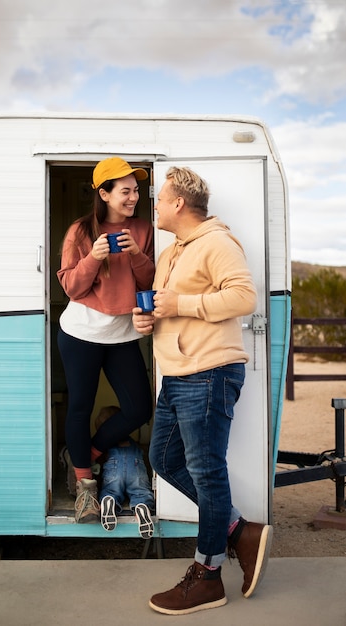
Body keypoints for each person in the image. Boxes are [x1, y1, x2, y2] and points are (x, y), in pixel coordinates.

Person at [132, 166, 273, 615]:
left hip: (209, 372)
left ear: (178, 203)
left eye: (159, 198)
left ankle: (208, 575)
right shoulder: (175, 250)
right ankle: (238, 531)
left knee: (207, 471)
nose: (153, 206)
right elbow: (167, 307)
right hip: (177, 374)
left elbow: (243, 297)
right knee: (163, 460)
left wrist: (181, 304)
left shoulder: (217, 242)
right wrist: (149, 320)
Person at [57, 157, 155, 524]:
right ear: (104, 193)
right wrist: (94, 258)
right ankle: (85, 488)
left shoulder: (143, 229)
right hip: (80, 332)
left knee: (139, 409)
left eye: (136, 190)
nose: (133, 196)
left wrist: (136, 254)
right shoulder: (80, 232)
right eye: (125, 190)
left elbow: (149, 282)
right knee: (80, 408)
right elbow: (71, 286)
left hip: (122, 334)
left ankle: (85, 456)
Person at [95, 406, 155, 539]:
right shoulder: (132, 442)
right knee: (141, 492)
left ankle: (108, 500)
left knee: (111, 490)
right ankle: (141, 506)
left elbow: (99, 461)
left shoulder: (105, 442)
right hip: (136, 468)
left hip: (114, 470)